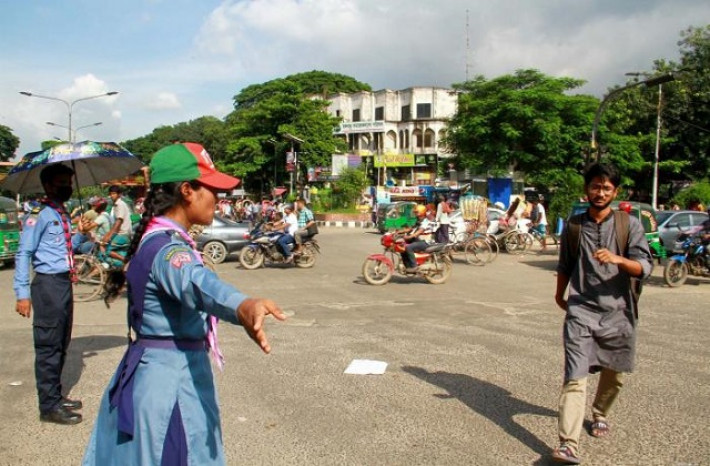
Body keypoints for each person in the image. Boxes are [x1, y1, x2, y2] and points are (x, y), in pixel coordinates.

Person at [83, 143, 286, 465]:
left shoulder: (158, 239)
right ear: (188, 190)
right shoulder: (166, 249)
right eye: (213, 189)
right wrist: (242, 306)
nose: (218, 199)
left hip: (158, 371)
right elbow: (196, 283)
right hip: (169, 386)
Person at [552, 163, 653, 464]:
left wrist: (618, 259)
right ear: (587, 189)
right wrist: (560, 295)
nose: (600, 192)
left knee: (615, 375)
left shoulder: (629, 225)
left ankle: (600, 413)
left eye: (607, 188)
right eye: (595, 186)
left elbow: (645, 268)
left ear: (615, 192)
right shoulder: (574, 225)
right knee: (575, 377)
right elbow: (564, 265)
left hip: (619, 312)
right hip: (581, 309)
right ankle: (568, 443)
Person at [13, 163, 83, 425]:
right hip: (47, 285)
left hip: (63, 283)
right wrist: (22, 293)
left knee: (61, 342)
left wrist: (82, 235)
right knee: (48, 346)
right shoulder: (38, 214)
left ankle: (55, 395)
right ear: (48, 185)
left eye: (68, 182)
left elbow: (63, 251)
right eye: (62, 182)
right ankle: (48, 406)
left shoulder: (61, 213)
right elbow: (24, 253)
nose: (67, 187)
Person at [398, 204, 432, 273]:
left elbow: (418, 233)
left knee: (408, 247)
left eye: (417, 212)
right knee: (402, 246)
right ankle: (407, 266)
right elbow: (410, 229)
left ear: (422, 212)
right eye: (415, 212)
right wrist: (398, 232)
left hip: (425, 242)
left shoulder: (425, 222)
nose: (416, 214)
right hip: (419, 241)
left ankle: (414, 266)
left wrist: (408, 237)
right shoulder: (418, 220)